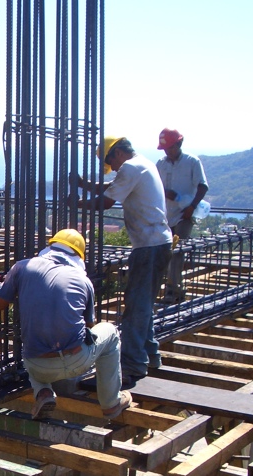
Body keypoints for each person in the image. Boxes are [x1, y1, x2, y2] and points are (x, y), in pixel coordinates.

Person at [0, 229, 131, 420]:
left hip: (37, 366)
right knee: (111, 332)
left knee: (30, 352)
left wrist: (10, 285)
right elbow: (89, 327)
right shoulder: (84, 280)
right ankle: (111, 403)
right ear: (78, 256)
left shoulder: (22, 267)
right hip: (76, 361)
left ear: (51, 247)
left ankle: (43, 392)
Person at [74, 136, 172, 388]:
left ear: (117, 152)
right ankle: (151, 356)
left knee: (135, 307)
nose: (113, 167)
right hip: (159, 243)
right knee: (144, 304)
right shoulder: (142, 164)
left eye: (110, 161)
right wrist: (85, 184)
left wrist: (76, 203)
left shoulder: (130, 167)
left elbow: (105, 202)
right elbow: (112, 187)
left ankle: (132, 366)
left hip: (148, 247)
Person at [156, 128, 209, 303]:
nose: (167, 151)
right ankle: (168, 288)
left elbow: (202, 186)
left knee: (177, 252)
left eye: (170, 147)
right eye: (165, 148)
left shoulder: (192, 161)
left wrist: (192, 207)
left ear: (179, 144)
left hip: (185, 214)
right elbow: (154, 187)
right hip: (167, 214)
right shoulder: (161, 164)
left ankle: (174, 292)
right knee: (165, 251)